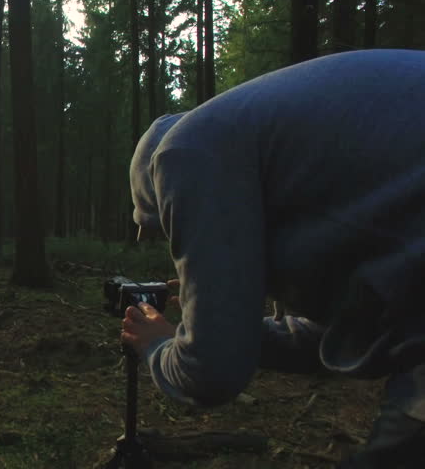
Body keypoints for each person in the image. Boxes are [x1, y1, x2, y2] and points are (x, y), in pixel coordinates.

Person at [121, 49, 425, 468]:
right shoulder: (280, 149)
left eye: (167, 229)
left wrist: (156, 347)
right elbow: (323, 338)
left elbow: (213, 376)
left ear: (158, 193)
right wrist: (219, 323)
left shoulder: (184, 152)